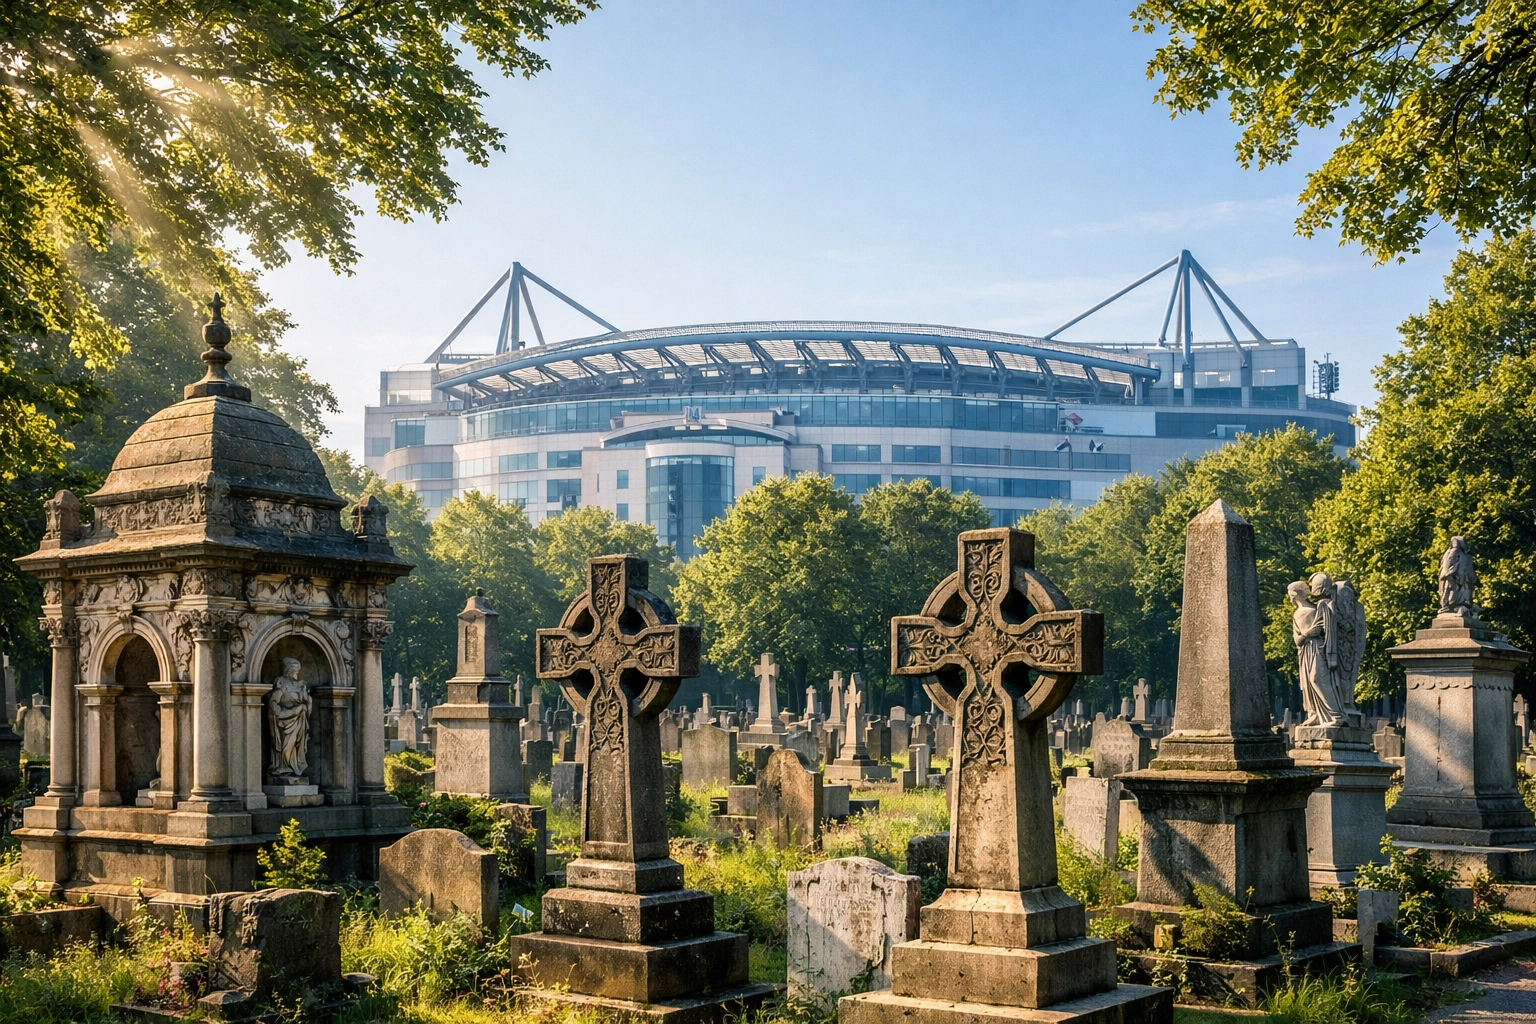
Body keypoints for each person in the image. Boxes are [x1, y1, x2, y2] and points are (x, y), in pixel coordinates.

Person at [1291, 581, 1343, 728]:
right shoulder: (1296, 614)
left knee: (1317, 679)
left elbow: (1325, 629)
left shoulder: (1317, 609)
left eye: (1291, 592)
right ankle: (1314, 714)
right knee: (1307, 684)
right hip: (1304, 651)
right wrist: (1306, 635)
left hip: (1317, 648)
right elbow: (1297, 638)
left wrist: (1312, 633)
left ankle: (1337, 715)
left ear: (1295, 594)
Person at [269, 657, 312, 779]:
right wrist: (287, 713)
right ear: (289, 670)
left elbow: (305, 701)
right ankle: (283, 767)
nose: (297, 674)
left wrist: (307, 699)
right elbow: (273, 703)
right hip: (285, 722)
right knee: (287, 745)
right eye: (295, 671)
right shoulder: (281, 683)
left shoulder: (298, 685)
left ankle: (295, 767)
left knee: (297, 746)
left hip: (299, 721)